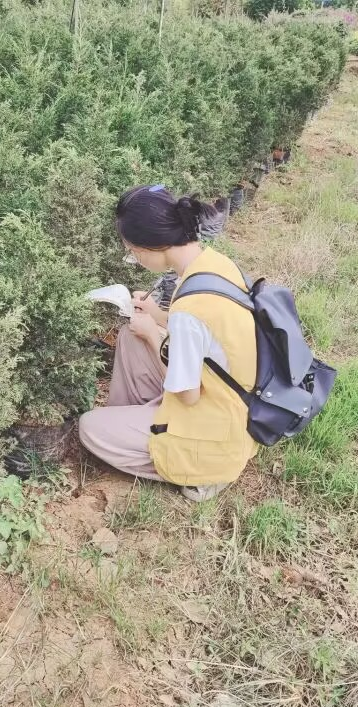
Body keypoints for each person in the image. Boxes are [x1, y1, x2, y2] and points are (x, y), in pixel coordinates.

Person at [78, 184, 258, 502]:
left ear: (150, 246)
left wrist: (153, 334)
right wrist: (156, 315)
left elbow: (188, 395)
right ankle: (136, 421)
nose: (134, 259)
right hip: (231, 404)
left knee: (89, 427)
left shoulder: (190, 309)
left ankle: (202, 474)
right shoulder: (211, 264)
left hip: (212, 430)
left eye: (132, 252)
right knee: (131, 336)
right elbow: (206, 336)